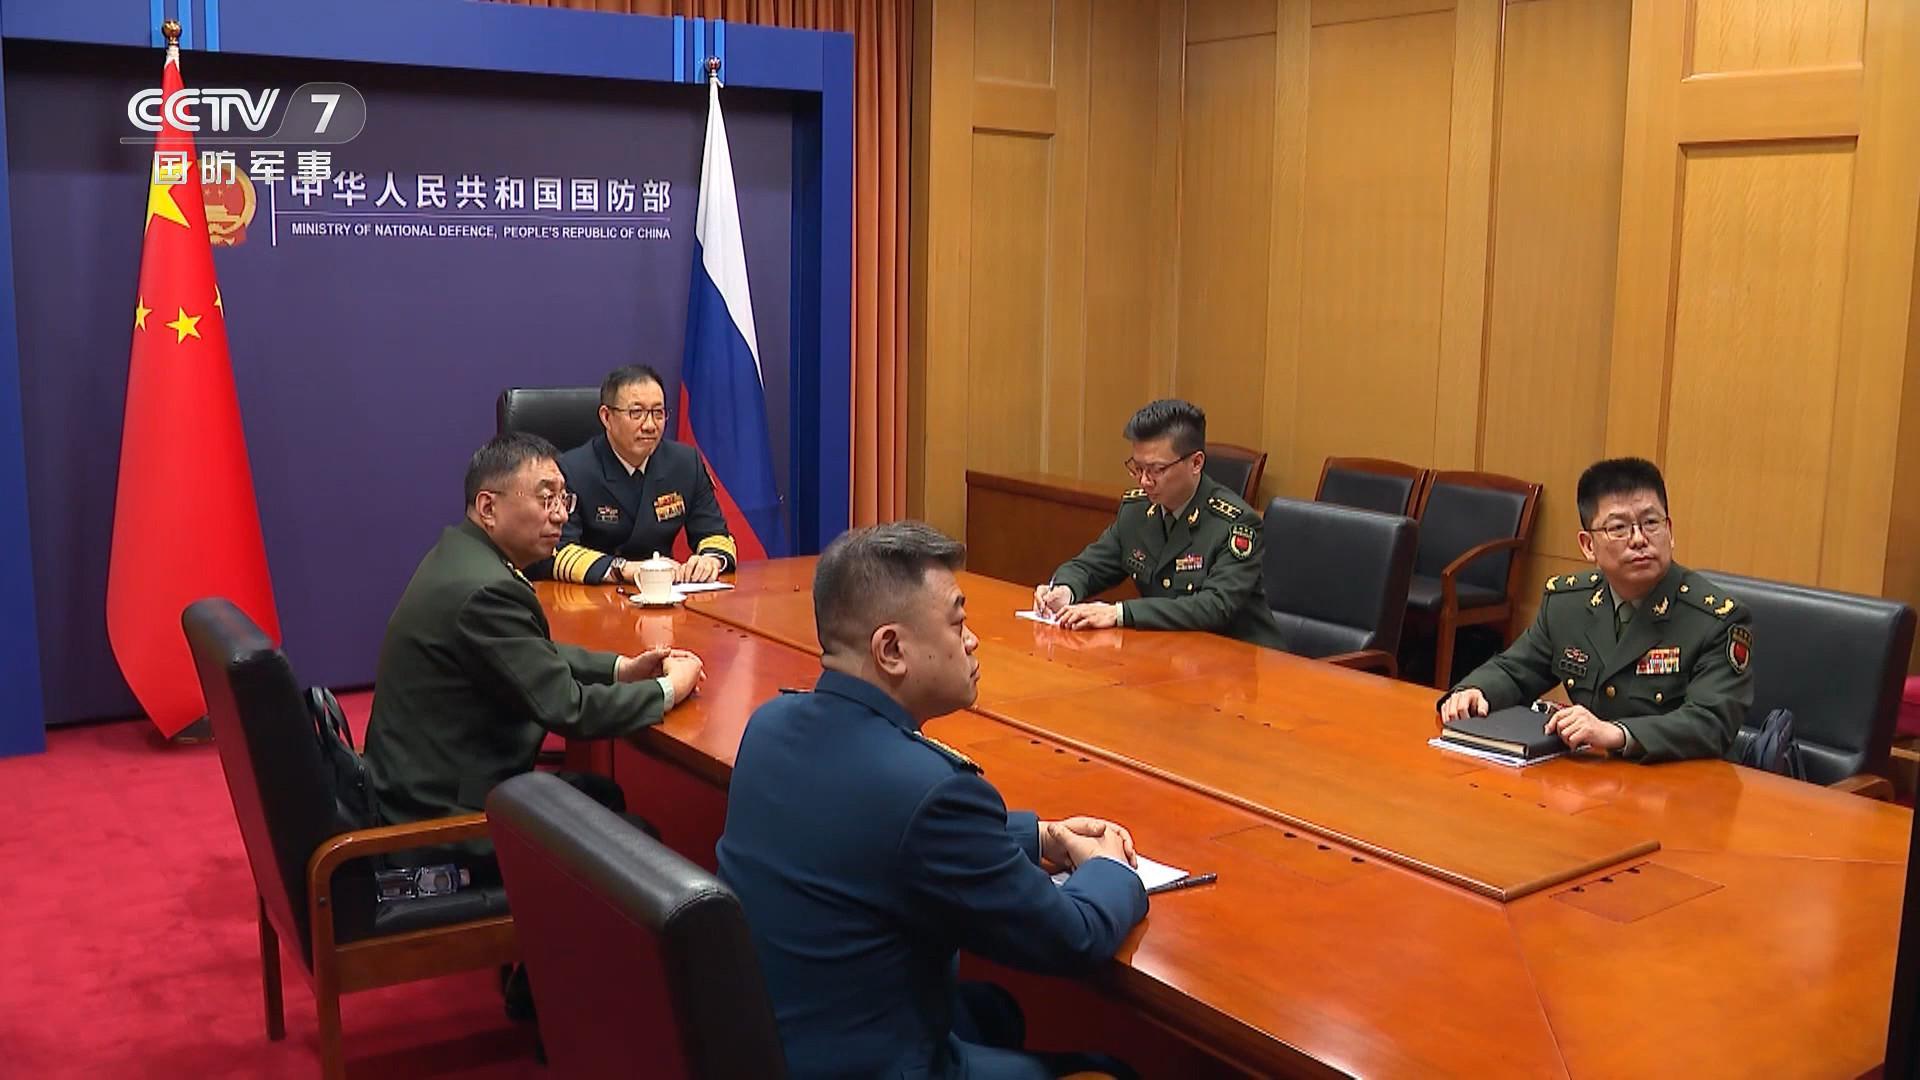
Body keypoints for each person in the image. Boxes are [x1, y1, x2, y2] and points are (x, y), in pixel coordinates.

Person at [718, 523, 1148, 1079]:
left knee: (993, 1011)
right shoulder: (931, 791)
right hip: (874, 1066)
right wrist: (1112, 869)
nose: (972, 641)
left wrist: (1040, 836)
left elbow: (872, 826)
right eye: (958, 622)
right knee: (1106, 1072)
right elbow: (1073, 937)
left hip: (777, 1045)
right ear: (892, 649)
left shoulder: (769, 725)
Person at [363, 432, 705, 856]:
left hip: (435, 781)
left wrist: (621, 669)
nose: (560, 515)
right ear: (488, 507)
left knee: (601, 794)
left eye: (564, 499)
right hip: (443, 819)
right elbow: (570, 709)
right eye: (545, 499)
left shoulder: (464, 554)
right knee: (637, 840)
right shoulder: (485, 590)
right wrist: (668, 689)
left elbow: (531, 654)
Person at [1438, 457, 1754, 762]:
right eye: (1619, 528)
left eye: (1651, 523)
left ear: (1670, 532)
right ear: (1588, 545)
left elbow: (1712, 723)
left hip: (1685, 782)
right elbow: (1515, 670)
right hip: (1598, 777)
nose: (1639, 539)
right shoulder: (1568, 604)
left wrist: (1617, 734)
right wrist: (1475, 690)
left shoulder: (1716, 619)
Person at [1032, 399, 1287, 650]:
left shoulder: (1236, 523)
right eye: (1137, 467)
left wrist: (1119, 613)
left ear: (1196, 463)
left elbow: (1215, 605)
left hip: (1240, 660)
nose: (1144, 481)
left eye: (1156, 469)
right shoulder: (1137, 511)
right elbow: (1090, 566)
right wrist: (1065, 589)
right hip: (1173, 652)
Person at [538, 364, 737, 586]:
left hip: (663, 593)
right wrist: (622, 568)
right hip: (593, 594)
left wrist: (710, 560)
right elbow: (558, 550)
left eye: (658, 413)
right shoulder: (571, 471)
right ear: (606, 417)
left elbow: (715, 534)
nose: (650, 425)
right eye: (637, 413)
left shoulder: (685, 463)